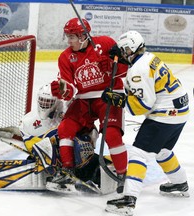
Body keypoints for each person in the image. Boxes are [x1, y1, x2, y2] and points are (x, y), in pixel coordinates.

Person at [103, 30, 190, 215]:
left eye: (123, 50)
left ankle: (128, 199)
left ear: (130, 49)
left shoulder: (137, 70)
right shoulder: (149, 58)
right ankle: (179, 183)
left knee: (138, 154)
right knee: (162, 151)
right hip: (181, 110)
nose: (121, 53)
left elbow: (141, 106)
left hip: (165, 114)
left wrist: (118, 100)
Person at [50, 17, 129, 193]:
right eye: (68, 36)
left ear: (84, 36)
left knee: (112, 134)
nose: (69, 40)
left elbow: (125, 69)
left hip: (109, 94)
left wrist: (110, 66)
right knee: (65, 129)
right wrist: (62, 90)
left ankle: (124, 175)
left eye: (73, 36)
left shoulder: (106, 43)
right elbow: (69, 87)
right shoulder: (65, 57)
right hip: (84, 98)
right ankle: (68, 170)